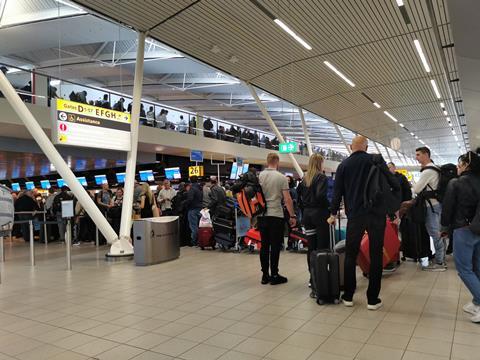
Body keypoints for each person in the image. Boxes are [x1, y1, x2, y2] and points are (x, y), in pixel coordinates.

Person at [328, 135, 399, 310]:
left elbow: (337, 192)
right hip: (376, 215)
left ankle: (349, 295)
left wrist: (332, 213)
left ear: (351, 147)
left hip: (355, 216)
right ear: (366, 148)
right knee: (376, 255)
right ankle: (372, 299)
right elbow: (393, 182)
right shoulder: (375, 161)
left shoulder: (343, 165)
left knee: (351, 255)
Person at [441, 150, 480, 322]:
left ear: (466, 165)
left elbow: (447, 209)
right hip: (478, 229)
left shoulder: (455, 183)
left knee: (464, 269)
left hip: (463, 229)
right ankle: (477, 301)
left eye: (459, 164)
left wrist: (443, 226)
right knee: (477, 266)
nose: (457, 167)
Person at [258, 153, 297, 285]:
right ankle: (274, 274)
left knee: (264, 245)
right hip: (276, 215)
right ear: (277, 162)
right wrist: (292, 216)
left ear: (267, 161)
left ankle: (264, 275)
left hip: (262, 216)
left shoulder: (260, 176)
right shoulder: (281, 178)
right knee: (275, 246)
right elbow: (287, 199)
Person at [297, 154, 330, 288]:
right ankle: (321, 277)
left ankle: (312, 278)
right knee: (322, 246)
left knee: (311, 247)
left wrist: (304, 208)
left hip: (307, 215)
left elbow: (298, 195)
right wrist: (329, 206)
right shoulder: (321, 177)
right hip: (320, 215)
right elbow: (321, 195)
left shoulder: (305, 178)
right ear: (319, 163)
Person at [413, 146, 446, 271]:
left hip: (431, 206)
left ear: (426, 154)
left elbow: (416, 189)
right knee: (439, 231)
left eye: (418, 155)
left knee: (435, 233)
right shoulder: (436, 168)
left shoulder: (428, 171)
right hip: (437, 204)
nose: (416, 157)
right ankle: (441, 258)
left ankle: (439, 263)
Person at [184, 177, 203, 246]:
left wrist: (185, 204)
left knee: (193, 226)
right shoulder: (200, 188)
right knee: (199, 225)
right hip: (200, 209)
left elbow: (190, 199)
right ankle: (200, 240)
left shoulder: (192, 189)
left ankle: (194, 241)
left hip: (193, 209)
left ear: (190, 181)